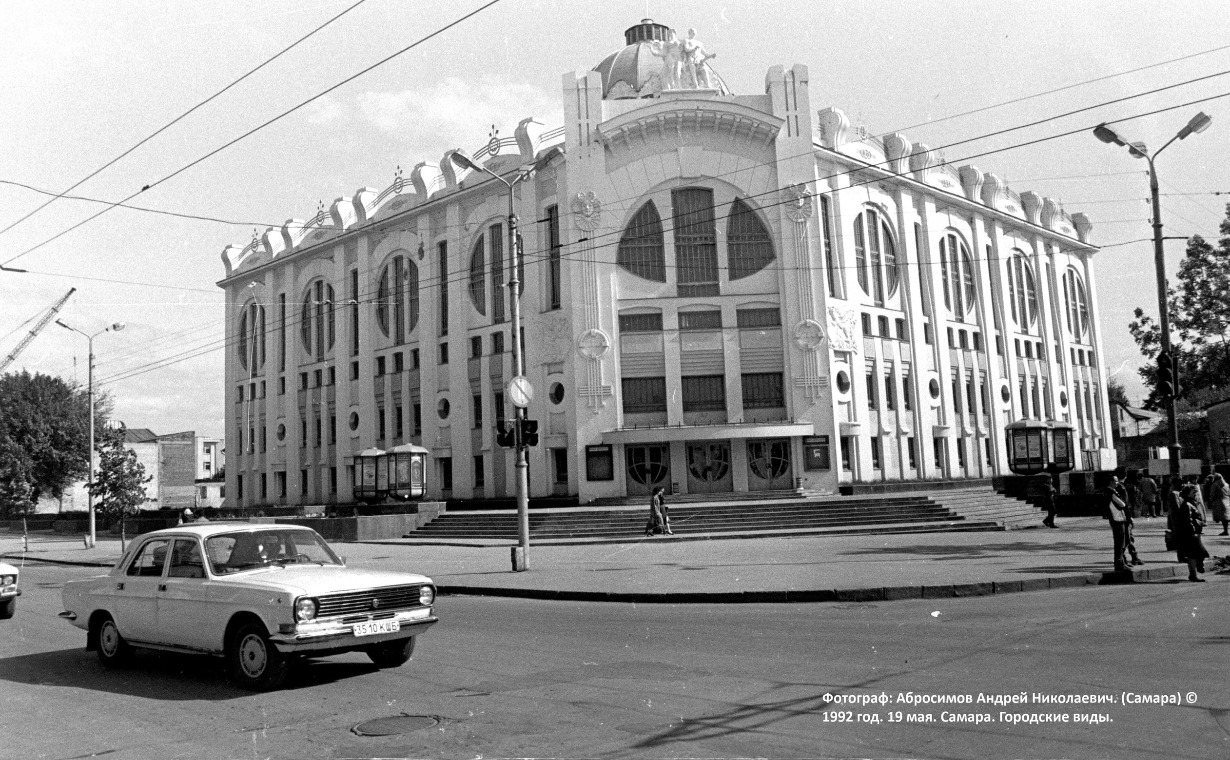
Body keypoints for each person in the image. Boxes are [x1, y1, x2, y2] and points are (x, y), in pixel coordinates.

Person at [1171, 484, 1210, 582]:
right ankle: (1193, 574)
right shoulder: (1187, 505)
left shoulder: (1192, 503)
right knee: (1193, 555)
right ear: (1188, 493)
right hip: (1191, 533)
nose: (1196, 494)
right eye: (1193, 492)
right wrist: (1195, 527)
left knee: (1197, 553)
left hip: (1194, 533)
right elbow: (1188, 520)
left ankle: (1196, 571)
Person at [1103, 476, 1132, 571]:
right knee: (1120, 542)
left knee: (1120, 541)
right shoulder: (1111, 492)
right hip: (1117, 518)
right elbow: (1122, 504)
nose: (1117, 483)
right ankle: (1119, 563)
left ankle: (1120, 562)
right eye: (1116, 481)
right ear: (1111, 482)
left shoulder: (1109, 491)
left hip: (1116, 518)